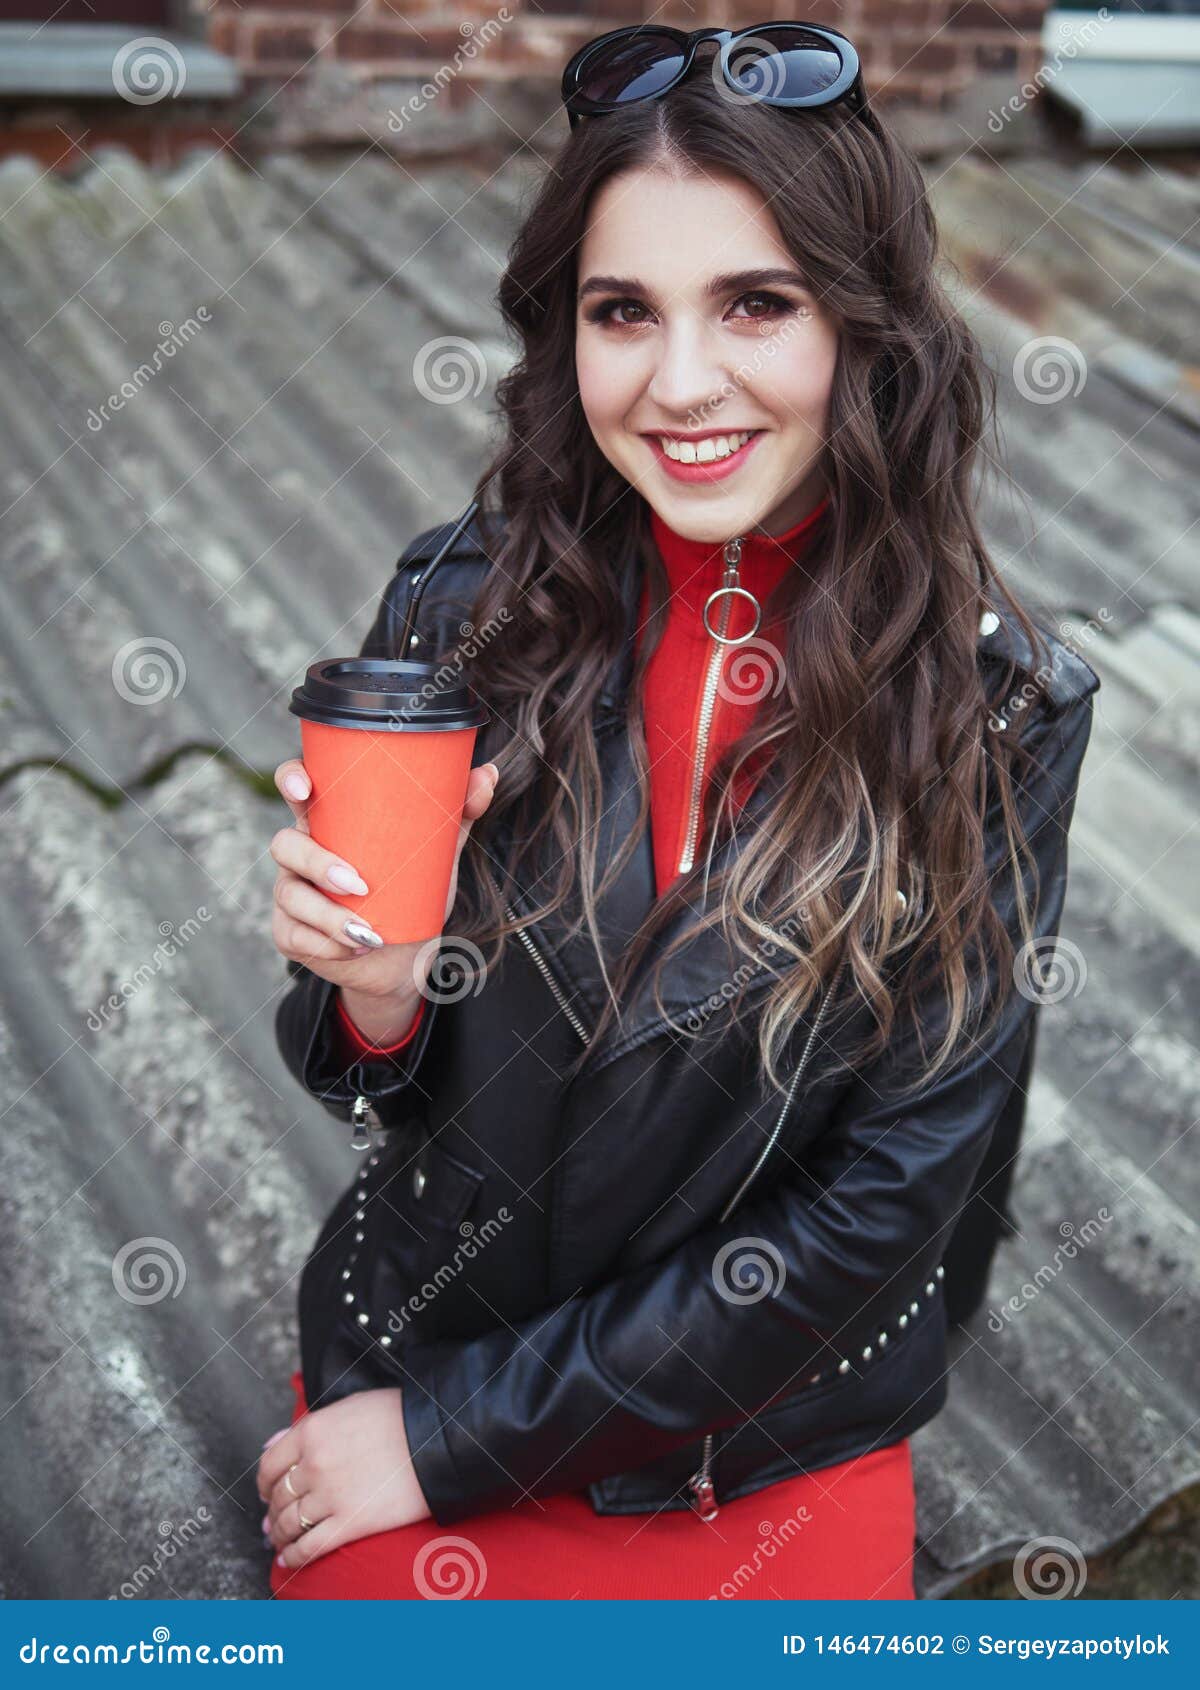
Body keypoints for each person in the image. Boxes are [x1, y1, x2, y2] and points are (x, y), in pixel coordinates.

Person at [259, 21, 1099, 1599]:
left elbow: (877, 1218)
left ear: (866, 328)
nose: (682, 382)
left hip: (754, 1442)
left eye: (757, 304)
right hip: (438, 1335)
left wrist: (451, 1440)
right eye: (622, 311)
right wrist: (371, 996)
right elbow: (380, 1081)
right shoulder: (463, 614)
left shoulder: (996, 717)